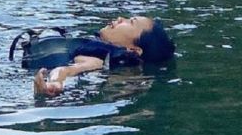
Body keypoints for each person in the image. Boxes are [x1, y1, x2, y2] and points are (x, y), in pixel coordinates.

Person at [29, 16, 175, 97]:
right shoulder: (99, 49)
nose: (119, 19)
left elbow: (65, 70)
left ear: (134, 49)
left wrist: (54, 84)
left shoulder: (99, 60)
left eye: (130, 22)